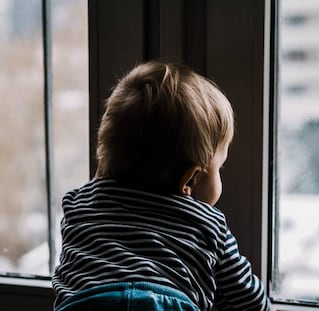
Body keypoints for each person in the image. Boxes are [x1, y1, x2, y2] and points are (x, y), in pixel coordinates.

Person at [52, 61, 271, 311]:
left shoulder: (78, 204)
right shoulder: (210, 224)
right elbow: (246, 299)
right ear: (190, 180)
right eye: (219, 168)